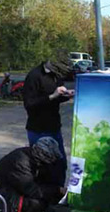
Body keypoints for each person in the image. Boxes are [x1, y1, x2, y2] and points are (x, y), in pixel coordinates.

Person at [23, 52, 74, 186]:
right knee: (42, 166)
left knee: (60, 163)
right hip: (38, 129)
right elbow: (29, 104)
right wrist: (52, 96)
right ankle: (41, 197)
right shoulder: (34, 76)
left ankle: (58, 193)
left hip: (54, 127)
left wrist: (67, 95)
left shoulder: (56, 75)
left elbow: (58, 97)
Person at [0, 137, 64, 212]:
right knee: (36, 203)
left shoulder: (32, 158)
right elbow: (31, 189)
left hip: (12, 190)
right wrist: (57, 190)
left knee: (47, 196)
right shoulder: (20, 162)